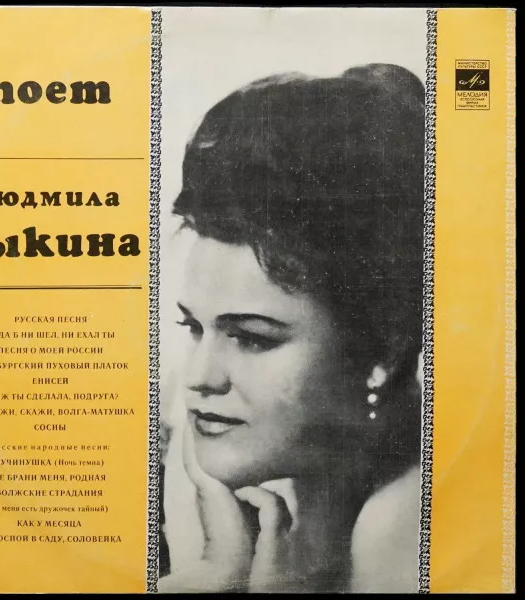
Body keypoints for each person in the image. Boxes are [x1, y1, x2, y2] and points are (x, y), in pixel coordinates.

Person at [159, 63, 425, 593]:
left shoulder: (412, 524)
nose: (200, 378)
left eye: (252, 338)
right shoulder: (211, 453)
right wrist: (217, 570)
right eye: (194, 328)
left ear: (385, 351)